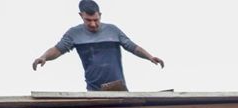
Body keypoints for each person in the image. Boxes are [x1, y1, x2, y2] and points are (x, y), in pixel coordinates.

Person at [31, 1, 163, 92]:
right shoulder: (74, 34)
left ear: (100, 15)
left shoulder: (113, 30)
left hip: (117, 86)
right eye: (88, 20)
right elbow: (57, 49)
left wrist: (150, 57)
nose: (93, 24)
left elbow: (132, 46)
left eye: (96, 20)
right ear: (81, 16)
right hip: (94, 88)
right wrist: (44, 57)